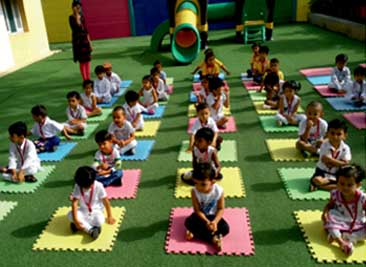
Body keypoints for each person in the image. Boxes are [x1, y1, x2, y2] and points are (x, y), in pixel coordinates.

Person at [322, 164, 366, 256]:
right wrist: (325, 213)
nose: (345, 187)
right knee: (330, 219)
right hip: (339, 218)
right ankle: (341, 243)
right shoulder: (335, 194)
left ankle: (346, 236)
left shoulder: (362, 198)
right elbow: (330, 205)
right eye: (341, 184)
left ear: (358, 185)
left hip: (357, 221)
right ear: (337, 183)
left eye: (349, 185)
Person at [184, 163, 229, 251]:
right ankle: (214, 238)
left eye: (203, 184)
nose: (198, 187)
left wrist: (215, 222)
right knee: (188, 222)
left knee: (226, 228)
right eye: (196, 183)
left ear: (212, 181)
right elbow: (197, 210)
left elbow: (221, 209)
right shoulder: (194, 191)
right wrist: (207, 221)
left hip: (214, 217)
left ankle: (195, 234)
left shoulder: (219, 191)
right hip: (201, 216)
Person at [68, 166, 116, 240]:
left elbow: (105, 201)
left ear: (94, 180)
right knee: (70, 215)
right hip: (83, 210)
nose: (86, 188)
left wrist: (109, 216)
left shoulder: (99, 186)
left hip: (96, 211)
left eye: (89, 185)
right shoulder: (78, 186)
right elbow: (74, 203)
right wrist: (76, 220)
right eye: (84, 186)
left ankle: (80, 226)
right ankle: (91, 230)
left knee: (100, 220)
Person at [310, 119, 351, 191]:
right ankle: (320, 183)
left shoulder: (346, 148)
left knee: (346, 184)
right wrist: (340, 163)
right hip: (322, 171)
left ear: (344, 136)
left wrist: (332, 161)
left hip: (336, 173)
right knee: (318, 180)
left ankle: (320, 186)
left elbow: (345, 163)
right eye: (332, 133)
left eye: (339, 134)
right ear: (327, 134)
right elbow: (326, 161)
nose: (335, 137)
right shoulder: (324, 145)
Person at [69, 1, 92, 81]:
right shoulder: (71, 18)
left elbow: (86, 30)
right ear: (73, 7)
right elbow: (77, 28)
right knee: (82, 62)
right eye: (77, 7)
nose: (79, 9)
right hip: (78, 42)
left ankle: (88, 78)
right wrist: (77, 17)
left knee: (88, 60)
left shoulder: (82, 16)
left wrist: (90, 42)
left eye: (79, 7)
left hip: (85, 41)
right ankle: (85, 79)